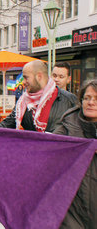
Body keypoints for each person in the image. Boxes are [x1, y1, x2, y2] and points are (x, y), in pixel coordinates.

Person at [53, 79, 96, 229]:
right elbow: (47, 150)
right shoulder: (66, 126)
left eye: (96, 99)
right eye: (87, 98)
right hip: (72, 211)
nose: (90, 102)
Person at [0, 60, 77, 132]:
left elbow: (77, 129)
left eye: (26, 78)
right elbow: (7, 124)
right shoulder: (23, 102)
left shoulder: (69, 100)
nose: (23, 82)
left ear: (39, 77)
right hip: (32, 148)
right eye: (54, 75)